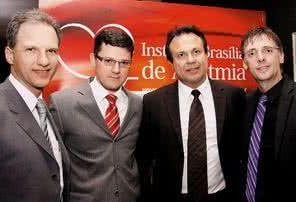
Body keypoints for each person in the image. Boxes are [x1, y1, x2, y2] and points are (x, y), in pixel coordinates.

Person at [136, 25, 245, 202]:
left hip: (223, 196)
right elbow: (144, 159)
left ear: (207, 53)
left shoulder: (234, 96)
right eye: (181, 55)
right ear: (170, 62)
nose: (191, 60)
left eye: (196, 51)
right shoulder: (153, 102)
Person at [0, 9, 70, 202]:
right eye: (31, 50)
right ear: (9, 55)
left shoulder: (46, 110)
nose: (44, 61)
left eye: (51, 51)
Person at [49, 28, 142, 202]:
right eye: (108, 61)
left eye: (124, 62)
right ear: (93, 59)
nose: (116, 69)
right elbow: (52, 167)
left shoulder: (139, 104)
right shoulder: (63, 103)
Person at [240, 26, 296, 202]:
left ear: (281, 56)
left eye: (268, 50)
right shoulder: (245, 104)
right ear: (245, 63)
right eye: (251, 53)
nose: (260, 58)